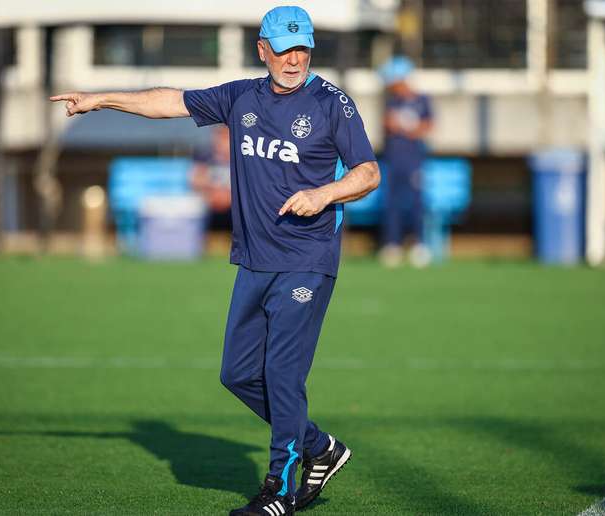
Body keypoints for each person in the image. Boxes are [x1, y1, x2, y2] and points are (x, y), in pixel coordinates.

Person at [50, 6, 380, 515]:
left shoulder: (332, 103)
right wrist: (100, 99)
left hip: (307, 258)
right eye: (284, 49)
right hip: (254, 259)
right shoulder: (241, 96)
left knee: (282, 374)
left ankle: (279, 490)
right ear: (262, 50)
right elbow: (170, 101)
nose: (294, 60)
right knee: (238, 374)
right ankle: (320, 447)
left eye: (303, 49)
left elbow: (368, 172)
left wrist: (324, 194)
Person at [378, 56, 433, 268]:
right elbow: (387, 124)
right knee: (392, 203)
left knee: (417, 202)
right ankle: (393, 245)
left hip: (414, 160)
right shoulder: (391, 101)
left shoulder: (422, 100)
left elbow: (428, 125)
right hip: (393, 159)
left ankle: (419, 244)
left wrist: (410, 127)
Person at [190, 124, 233, 230]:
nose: (222, 141)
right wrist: (211, 192)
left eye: (226, 137)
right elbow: (195, 182)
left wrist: (229, 196)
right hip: (211, 204)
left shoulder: (243, 158)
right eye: (220, 136)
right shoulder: (204, 156)